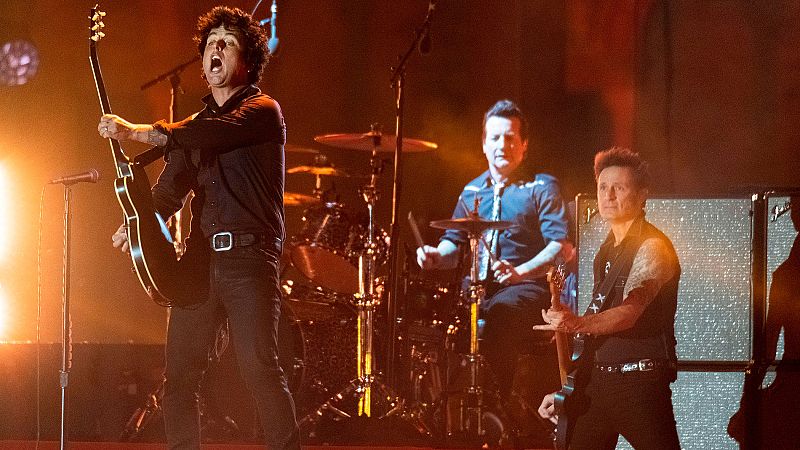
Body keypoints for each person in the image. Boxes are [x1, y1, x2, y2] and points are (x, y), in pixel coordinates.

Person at [97, 6, 299, 450]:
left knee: (260, 370)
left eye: (227, 43)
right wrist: (135, 224)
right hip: (200, 262)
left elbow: (203, 135)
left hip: (250, 259)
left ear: (247, 60)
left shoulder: (262, 111)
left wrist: (134, 132)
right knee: (180, 375)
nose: (216, 50)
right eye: (210, 44)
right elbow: (168, 193)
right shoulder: (197, 125)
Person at [416, 100, 572, 411]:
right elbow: (453, 245)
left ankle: (495, 407)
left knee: (502, 313)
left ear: (524, 145)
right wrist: (435, 255)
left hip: (526, 289)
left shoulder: (541, 187)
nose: (503, 145)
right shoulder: (472, 191)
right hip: (476, 289)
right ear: (484, 144)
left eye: (511, 137)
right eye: (496, 138)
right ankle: (445, 407)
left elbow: (561, 247)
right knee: (436, 315)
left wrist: (521, 272)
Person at [535, 147, 681, 450]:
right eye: (603, 187)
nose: (608, 195)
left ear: (642, 195)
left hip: (639, 386)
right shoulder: (605, 251)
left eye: (619, 187)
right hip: (596, 386)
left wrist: (575, 323)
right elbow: (597, 327)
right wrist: (569, 390)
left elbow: (629, 313)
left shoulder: (654, 247)